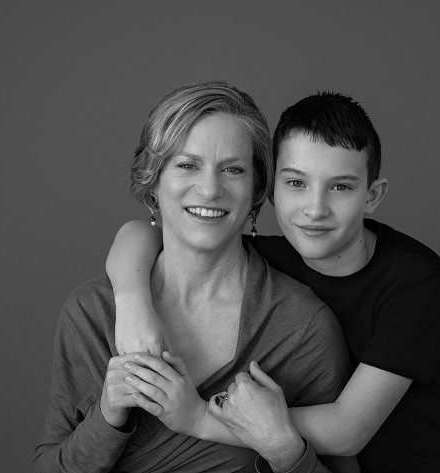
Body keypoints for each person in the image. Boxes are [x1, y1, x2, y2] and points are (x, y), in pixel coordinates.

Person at [107, 92, 440, 472]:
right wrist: (131, 301)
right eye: (297, 183)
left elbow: (347, 431)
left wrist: (199, 419)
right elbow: (146, 232)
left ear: (373, 195)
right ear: (273, 189)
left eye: (341, 187)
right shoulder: (276, 256)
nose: (315, 210)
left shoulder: (414, 282)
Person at [34, 81, 356, 473]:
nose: (209, 188)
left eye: (233, 169)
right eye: (187, 165)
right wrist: (107, 414)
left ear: (256, 190)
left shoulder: (302, 329)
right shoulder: (93, 313)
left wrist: (286, 449)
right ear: (153, 180)